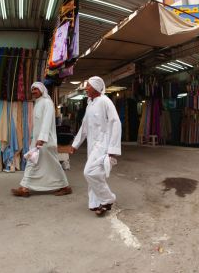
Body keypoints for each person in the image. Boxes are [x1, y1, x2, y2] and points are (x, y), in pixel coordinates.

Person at [70, 76, 121, 216]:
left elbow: (116, 123)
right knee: (96, 173)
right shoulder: (90, 104)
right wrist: (75, 144)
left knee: (89, 172)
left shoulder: (105, 101)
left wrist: (113, 149)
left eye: (88, 86)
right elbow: (84, 127)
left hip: (103, 144)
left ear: (97, 87)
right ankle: (96, 203)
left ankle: (107, 199)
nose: (86, 88)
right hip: (92, 144)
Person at [11, 82, 72, 197]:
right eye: (32, 89)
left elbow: (47, 121)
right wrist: (35, 138)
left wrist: (42, 138)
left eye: (36, 89)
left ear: (42, 90)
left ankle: (65, 186)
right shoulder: (38, 103)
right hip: (38, 140)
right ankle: (24, 188)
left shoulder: (47, 102)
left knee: (52, 164)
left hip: (46, 141)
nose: (33, 91)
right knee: (32, 162)